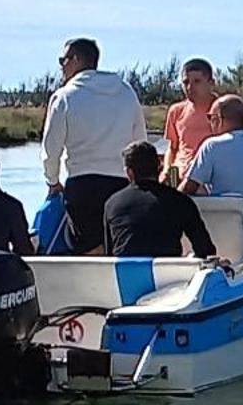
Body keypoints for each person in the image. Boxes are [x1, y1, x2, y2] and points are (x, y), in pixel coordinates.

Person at [41, 37, 147, 254]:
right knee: (118, 244)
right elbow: (140, 141)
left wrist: (52, 181)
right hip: (121, 182)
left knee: (88, 249)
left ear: (76, 59)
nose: (61, 66)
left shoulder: (64, 97)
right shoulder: (126, 92)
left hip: (83, 184)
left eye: (63, 60)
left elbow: (51, 148)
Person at [183, 94, 243, 253]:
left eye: (210, 118)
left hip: (235, 239)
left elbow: (186, 190)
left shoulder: (212, 146)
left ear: (219, 119)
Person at [105, 141, 220, 260]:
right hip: (167, 276)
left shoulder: (112, 204)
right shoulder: (180, 201)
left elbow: (109, 255)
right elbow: (205, 250)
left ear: (129, 172)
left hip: (125, 276)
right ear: (159, 165)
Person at [163, 57, 220, 184]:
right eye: (186, 82)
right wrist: (167, 169)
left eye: (197, 81)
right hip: (180, 177)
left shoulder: (225, 109)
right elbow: (172, 148)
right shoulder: (176, 111)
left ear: (211, 83)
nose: (190, 87)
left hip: (211, 179)